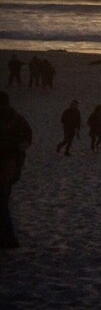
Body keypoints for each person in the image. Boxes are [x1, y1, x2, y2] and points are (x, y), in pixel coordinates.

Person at [0, 91, 33, 249]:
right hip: (13, 167)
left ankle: (9, 239)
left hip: (6, 165)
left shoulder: (12, 119)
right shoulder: (18, 119)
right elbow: (27, 139)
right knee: (4, 200)